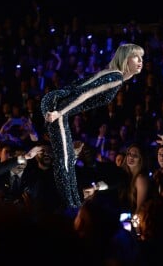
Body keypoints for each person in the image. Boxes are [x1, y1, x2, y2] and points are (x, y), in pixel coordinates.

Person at [41, 43, 144, 209]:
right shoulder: (115, 77)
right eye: (135, 57)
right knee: (64, 160)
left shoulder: (114, 75)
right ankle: (69, 208)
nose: (140, 60)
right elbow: (85, 93)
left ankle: (74, 206)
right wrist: (59, 112)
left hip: (60, 105)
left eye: (141, 57)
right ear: (125, 59)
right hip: (57, 105)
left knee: (68, 159)